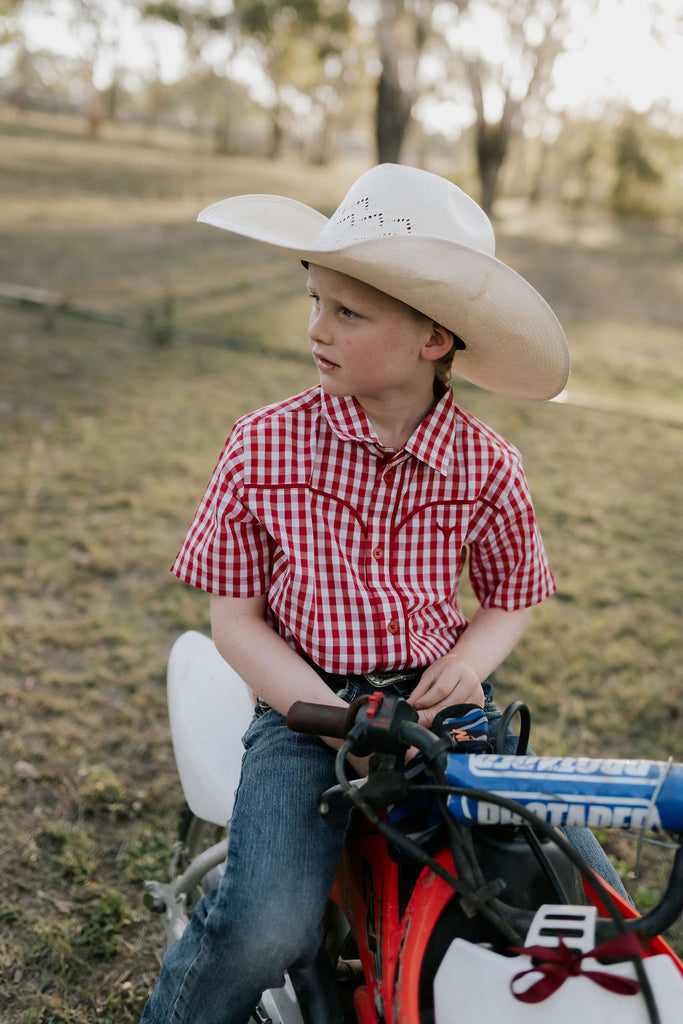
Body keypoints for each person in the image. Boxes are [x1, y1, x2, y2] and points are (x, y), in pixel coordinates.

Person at [141, 164, 624, 1024]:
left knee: (586, 888)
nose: (316, 328)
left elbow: (509, 596)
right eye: (315, 301)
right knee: (263, 927)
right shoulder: (263, 445)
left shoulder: (486, 466)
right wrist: (331, 717)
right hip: (302, 708)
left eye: (348, 312)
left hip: (438, 710)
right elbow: (236, 621)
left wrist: (468, 664)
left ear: (433, 338)